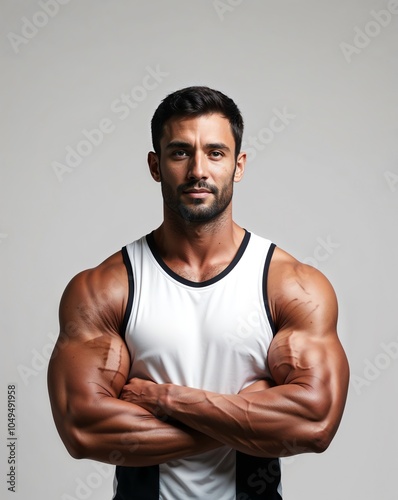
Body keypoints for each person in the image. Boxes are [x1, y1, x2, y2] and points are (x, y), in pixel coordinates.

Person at [47, 86, 349, 500]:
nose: (198, 171)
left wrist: (165, 398)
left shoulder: (291, 285)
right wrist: (244, 416)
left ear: (238, 165)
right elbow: (83, 429)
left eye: (216, 153)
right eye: (179, 153)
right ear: (155, 166)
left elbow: (314, 423)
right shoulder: (105, 288)